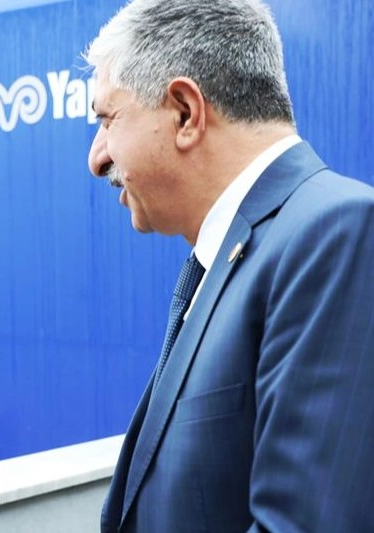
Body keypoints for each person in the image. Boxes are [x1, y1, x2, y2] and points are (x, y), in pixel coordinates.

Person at [85, 0, 374, 531]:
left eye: (107, 118)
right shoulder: (236, 253)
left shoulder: (338, 233)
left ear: (185, 113)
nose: (97, 156)